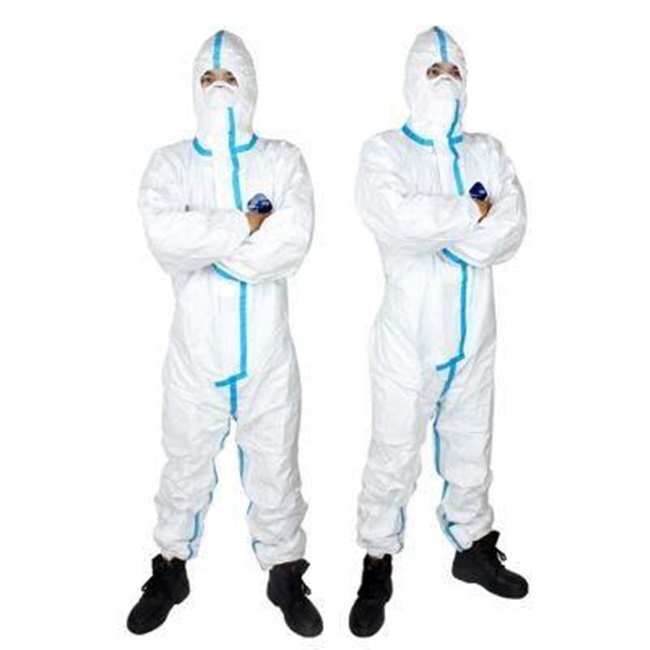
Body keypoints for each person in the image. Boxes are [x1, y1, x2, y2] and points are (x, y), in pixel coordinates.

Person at [126, 29, 322, 638]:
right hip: (195, 356)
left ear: (251, 84)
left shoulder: (283, 160)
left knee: (277, 468)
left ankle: (285, 572)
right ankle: (170, 569)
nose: (219, 89)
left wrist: (205, 237)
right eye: (208, 79)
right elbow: (164, 238)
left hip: (267, 355)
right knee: (183, 466)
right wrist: (247, 223)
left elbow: (291, 244)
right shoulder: (171, 164)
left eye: (230, 77)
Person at [349, 26, 529, 637]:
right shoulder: (384, 153)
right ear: (412, 77)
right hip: (408, 340)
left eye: (454, 70)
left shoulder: (488, 151)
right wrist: (473, 212)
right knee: (393, 452)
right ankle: (377, 561)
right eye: (433, 70)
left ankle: (472, 546)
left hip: (474, 336)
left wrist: (442, 228)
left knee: (472, 444)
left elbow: (510, 230)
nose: (445, 79)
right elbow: (397, 220)